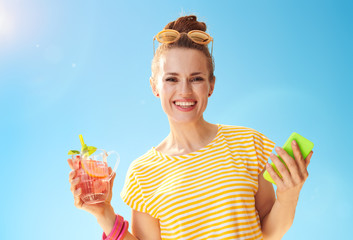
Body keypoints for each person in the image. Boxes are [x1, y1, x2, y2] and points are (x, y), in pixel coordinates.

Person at [68, 15, 314, 240]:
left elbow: (270, 233)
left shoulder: (249, 144)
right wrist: (103, 214)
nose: (184, 91)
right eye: (171, 79)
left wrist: (289, 196)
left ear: (211, 85)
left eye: (196, 78)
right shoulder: (142, 174)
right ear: (155, 87)